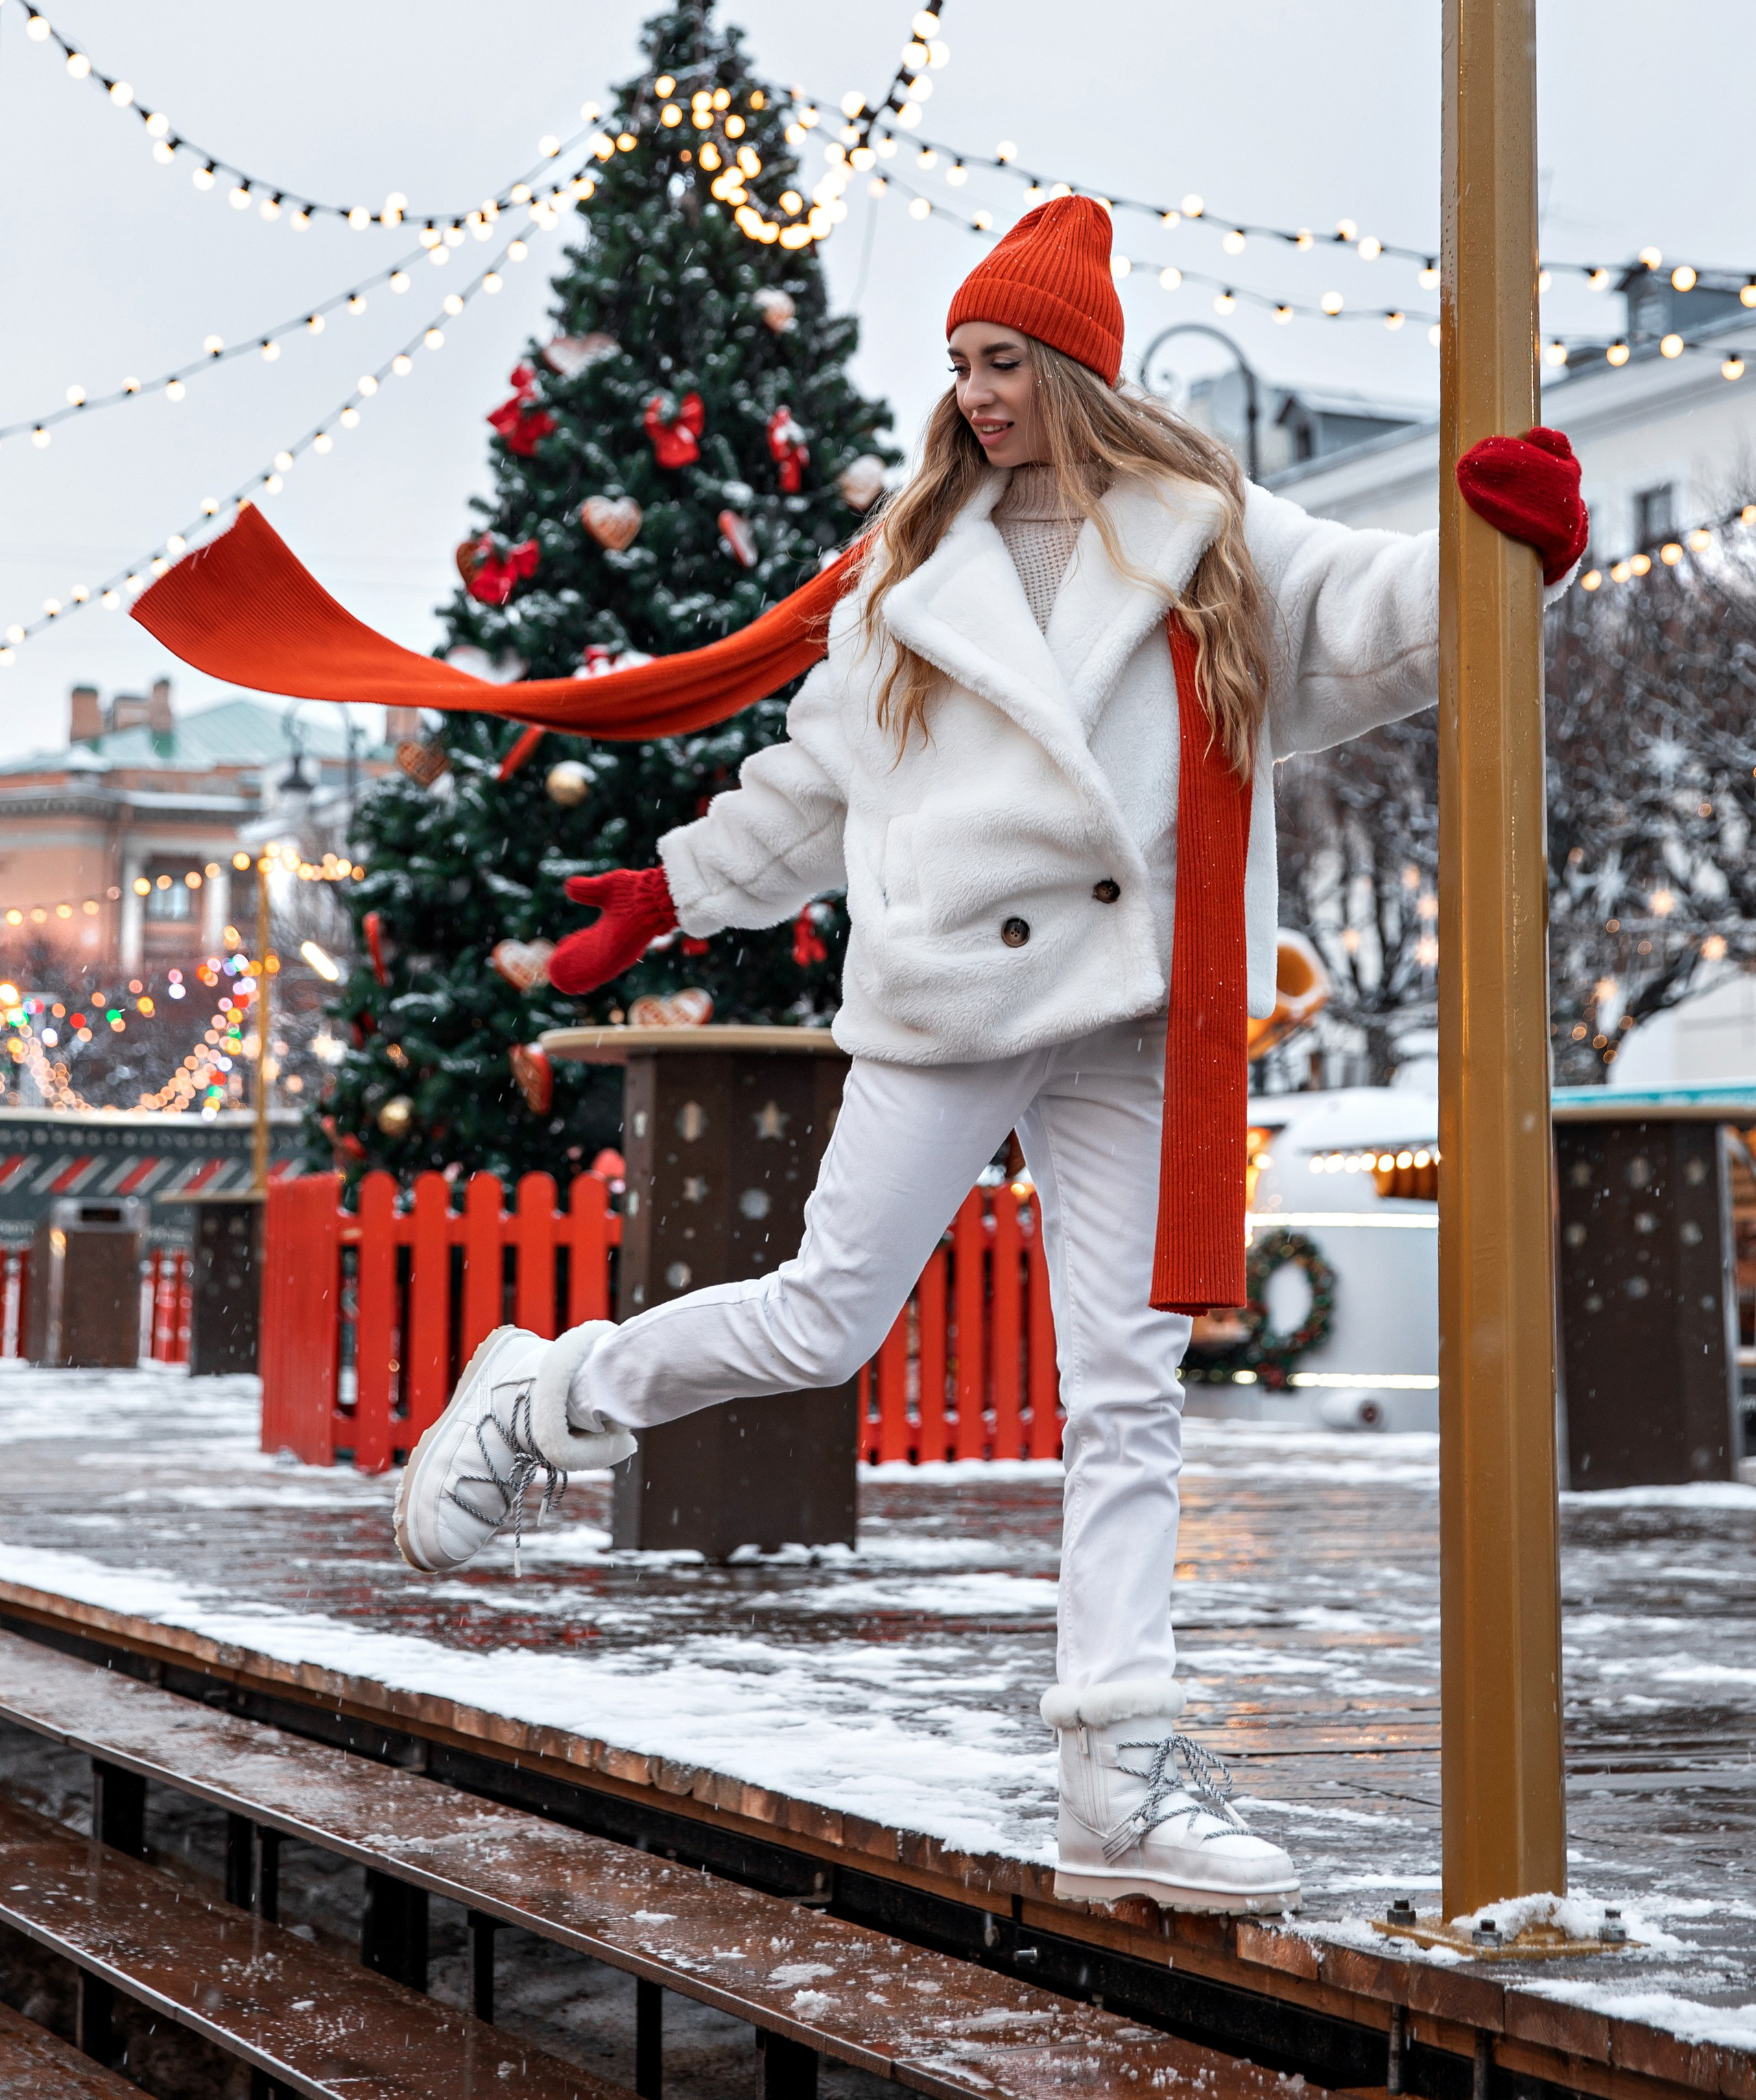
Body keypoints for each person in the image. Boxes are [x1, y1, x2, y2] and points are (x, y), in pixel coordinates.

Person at [392, 196, 1588, 1914]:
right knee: (823, 1317)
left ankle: (1116, 1772)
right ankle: (550, 1393)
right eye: (958, 363)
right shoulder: (903, 570)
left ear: (1080, 370)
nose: (973, 394)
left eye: (1004, 360)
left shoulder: (1211, 534)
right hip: (951, 998)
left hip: (1133, 1010)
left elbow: (1368, 618)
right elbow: (817, 789)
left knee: (1127, 1390)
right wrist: (662, 896)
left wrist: (1497, 553)